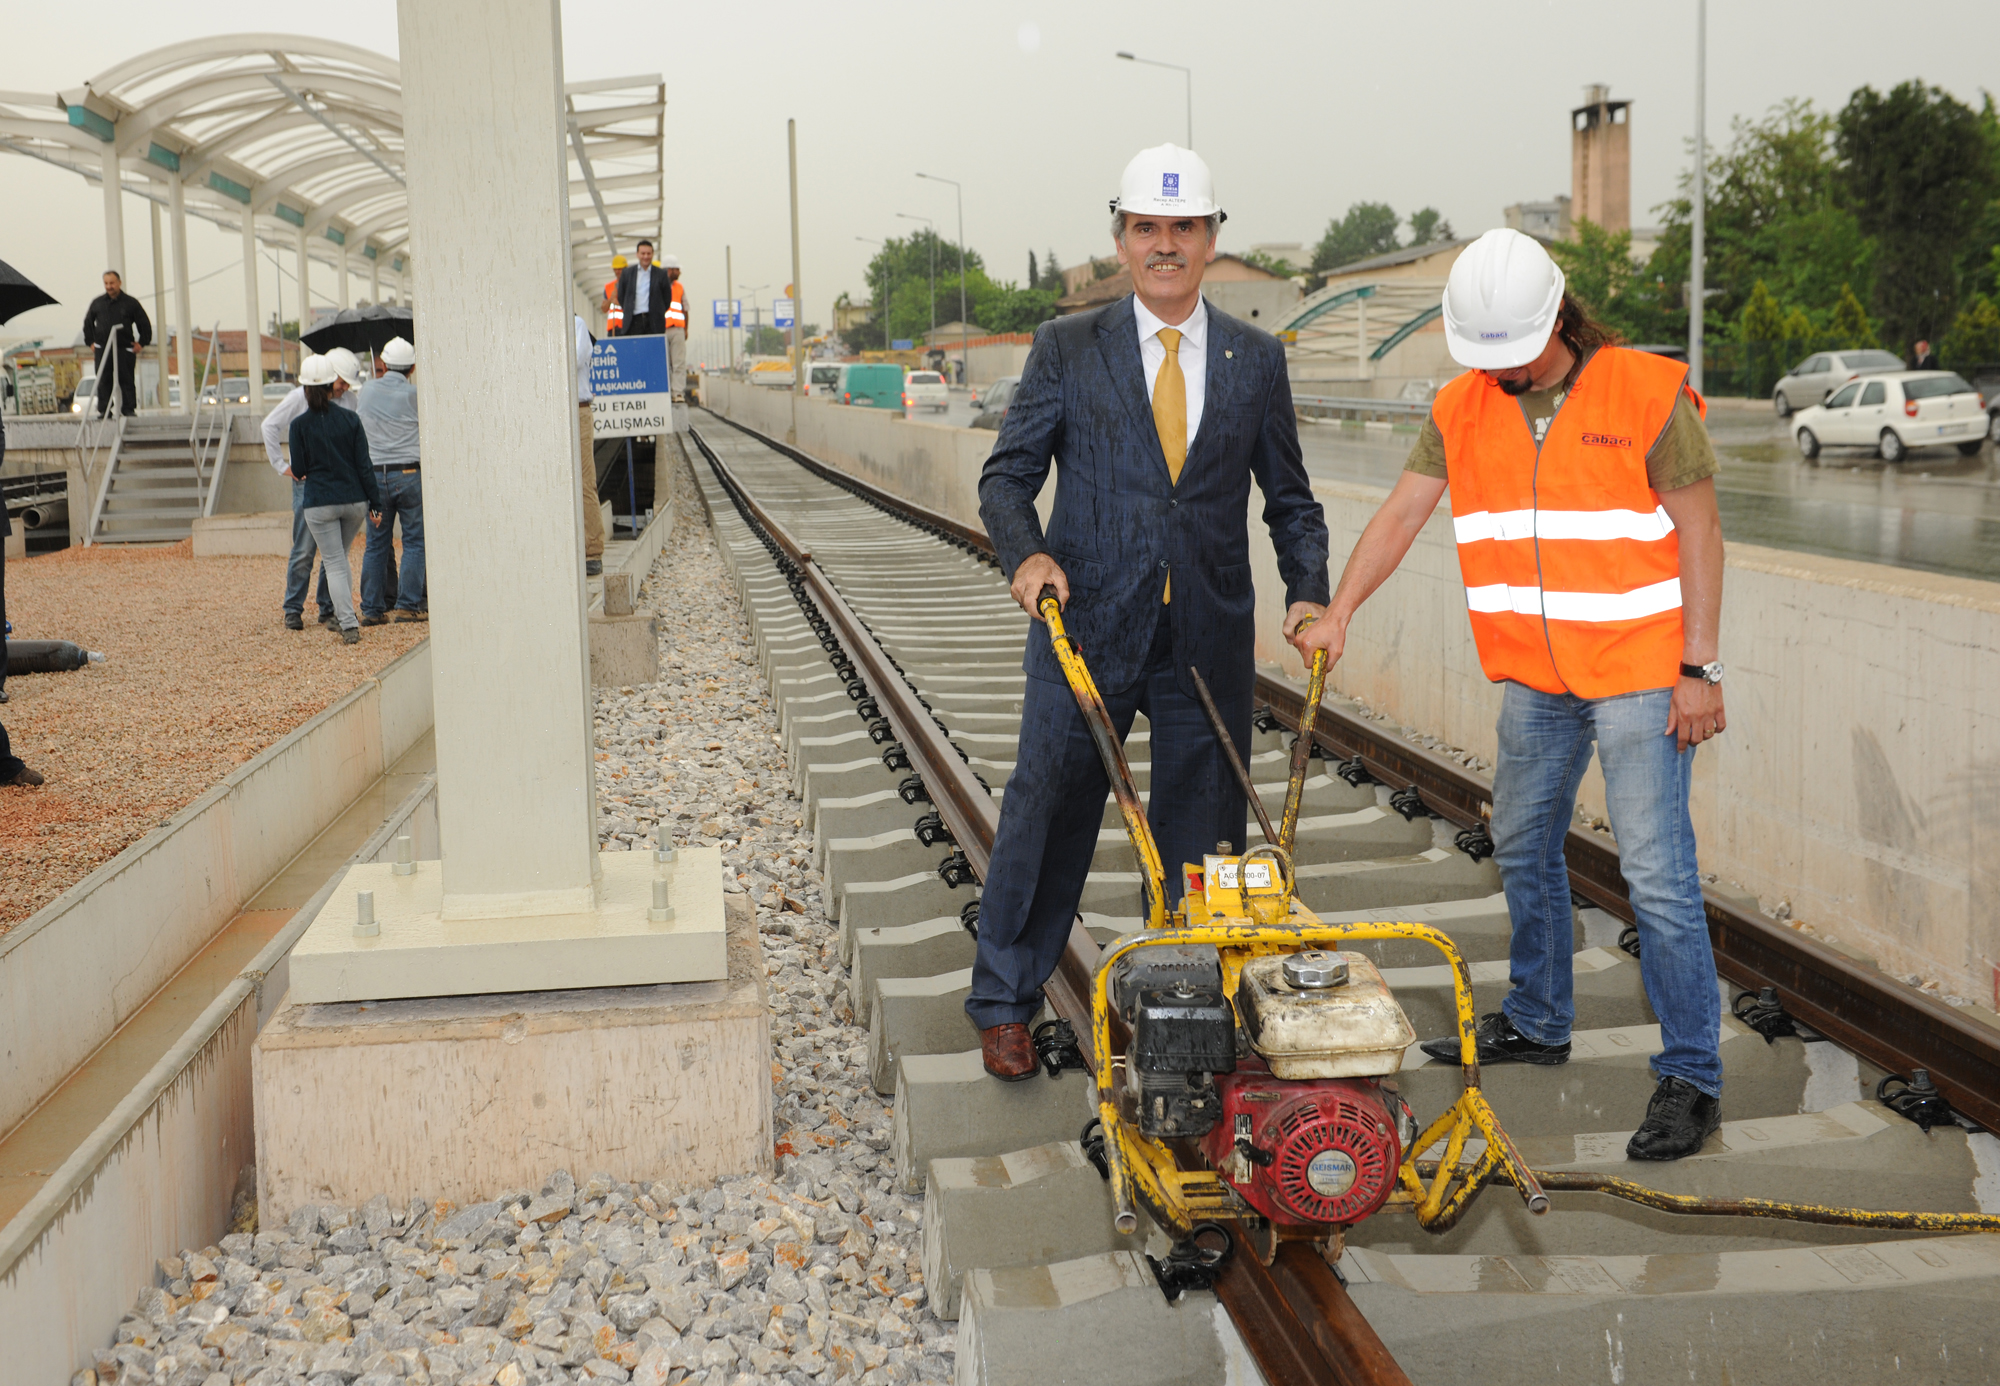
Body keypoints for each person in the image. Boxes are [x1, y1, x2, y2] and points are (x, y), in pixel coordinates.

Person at [1321, 228, 1728, 1161]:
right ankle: (1541, 1019)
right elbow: (1402, 513)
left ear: (1559, 316)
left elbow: (1701, 533)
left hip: (1639, 670)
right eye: (1486, 355)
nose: (1500, 371)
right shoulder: (1459, 406)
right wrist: (1341, 610)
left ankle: (1692, 1077)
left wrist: (1699, 669)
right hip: (1539, 676)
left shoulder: (1646, 392)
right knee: (1520, 840)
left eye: (1516, 352)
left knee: (1656, 875)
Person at [970, 144, 1334, 1080]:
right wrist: (1027, 554)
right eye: (1146, 228)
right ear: (1121, 241)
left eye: (1183, 227)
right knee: (1046, 811)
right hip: (1083, 626)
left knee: (1202, 836)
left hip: (1205, 637)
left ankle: (1183, 1007)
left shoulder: (1256, 359)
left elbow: (1290, 500)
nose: (1164, 244)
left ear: (1211, 239)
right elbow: (1006, 477)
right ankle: (1005, 1003)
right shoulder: (1066, 347)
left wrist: (1308, 589)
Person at [263, 350, 364, 628]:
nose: (345, 387)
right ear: (330, 378)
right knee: (305, 549)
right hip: (307, 482)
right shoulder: (298, 398)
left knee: (334, 553)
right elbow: (269, 426)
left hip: (337, 481)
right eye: (342, 382)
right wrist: (282, 466)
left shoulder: (350, 400)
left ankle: (328, 607)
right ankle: (293, 608)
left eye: (347, 383)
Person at [288, 354, 382, 645]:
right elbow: (364, 466)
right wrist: (376, 503)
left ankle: (348, 623)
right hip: (354, 500)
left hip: (319, 502)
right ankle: (343, 616)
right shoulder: (351, 419)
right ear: (331, 386)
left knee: (334, 562)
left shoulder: (299, 426)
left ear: (305, 389)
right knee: (340, 558)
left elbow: (299, 469)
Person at [356, 337, 426, 625]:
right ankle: (408, 605)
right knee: (414, 541)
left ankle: (372, 610)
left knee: (376, 544)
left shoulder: (366, 391)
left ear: (383, 364)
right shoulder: (415, 395)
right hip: (409, 475)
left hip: (374, 478)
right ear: (412, 368)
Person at [82, 270, 152, 418]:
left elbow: (144, 323)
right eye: (106, 283)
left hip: (124, 348)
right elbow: (88, 323)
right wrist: (91, 342)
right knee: (103, 379)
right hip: (103, 349)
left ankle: (128, 409)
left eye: (112, 283)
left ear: (119, 283)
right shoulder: (97, 303)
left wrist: (141, 343)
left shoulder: (131, 303)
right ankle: (104, 410)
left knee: (126, 379)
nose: (109, 286)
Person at [575, 314, 606, 577]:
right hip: (549, 412)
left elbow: (570, 360)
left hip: (577, 410)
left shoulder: (576, 325)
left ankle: (592, 551)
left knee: (585, 481)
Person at [616, 241, 671, 337]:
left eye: (648, 254)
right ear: (637, 254)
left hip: (654, 322)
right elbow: (621, 296)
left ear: (652, 254)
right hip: (633, 322)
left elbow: (667, 298)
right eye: (643, 253)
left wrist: (658, 311)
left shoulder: (661, 274)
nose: (646, 256)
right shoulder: (627, 274)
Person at [659, 254, 688, 402]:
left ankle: (677, 393)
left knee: (678, 363)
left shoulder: (680, 287)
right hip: (661, 330)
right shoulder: (657, 285)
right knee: (664, 364)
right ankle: (666, 392)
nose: (679, 272)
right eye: (677, 269)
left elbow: (685, 309)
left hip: (677, 329)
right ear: (669, 270)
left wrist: (685, 329)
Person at [604, 255, 627, 336]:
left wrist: (619, 303)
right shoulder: (609, 287)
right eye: (615, 269)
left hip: (627, 327)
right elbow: (604, 308)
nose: (617, 271)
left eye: (620, 269)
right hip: (613, 329)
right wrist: (610, 299)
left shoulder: (631, 285)